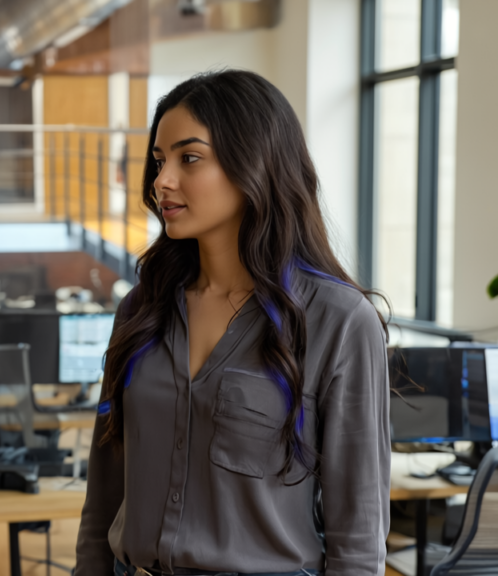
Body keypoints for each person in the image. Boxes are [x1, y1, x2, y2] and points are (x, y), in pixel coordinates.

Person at [75, 70, 390, 576]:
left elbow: (358, 536)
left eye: (189, 158)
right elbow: (105, 490)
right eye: (159, 162)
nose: (162, 181)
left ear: (255, 164)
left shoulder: (340, 322)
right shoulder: (140, 310)